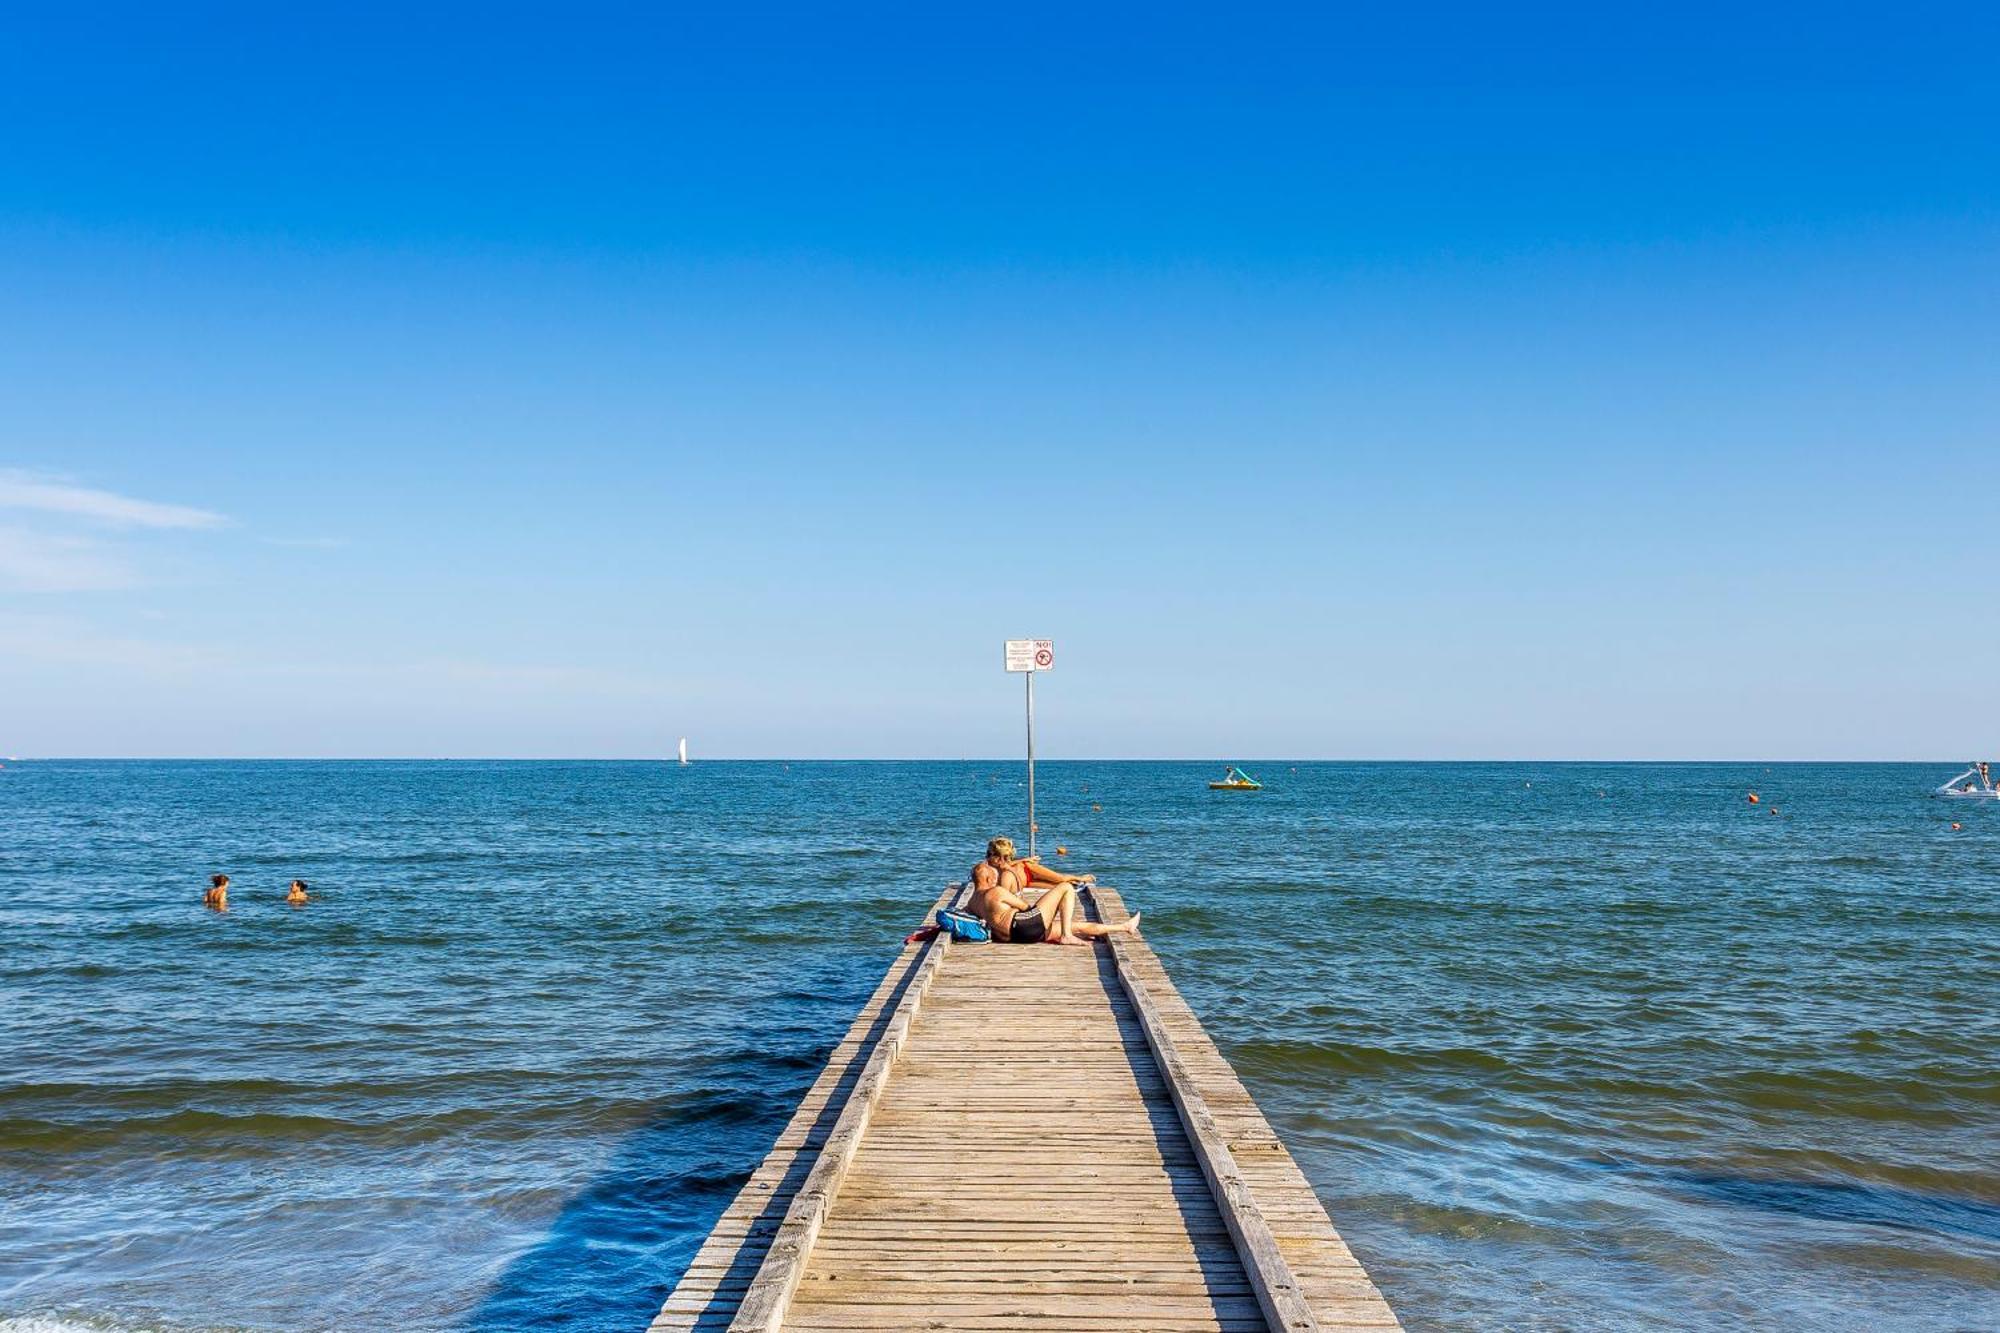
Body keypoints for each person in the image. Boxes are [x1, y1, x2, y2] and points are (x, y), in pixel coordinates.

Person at [968, 837, 1139, 945]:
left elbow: (988, 913)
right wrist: (1046, 911)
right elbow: (1024, 908)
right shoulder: (1000, 886)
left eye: (988, 854)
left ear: (996, 857)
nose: (986, 857)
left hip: (1014, 935)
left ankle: (1124, 927)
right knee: (1064, 889)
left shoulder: (977, 898)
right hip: (1022, 927)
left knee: (1074, 923)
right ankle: (1066, 935)